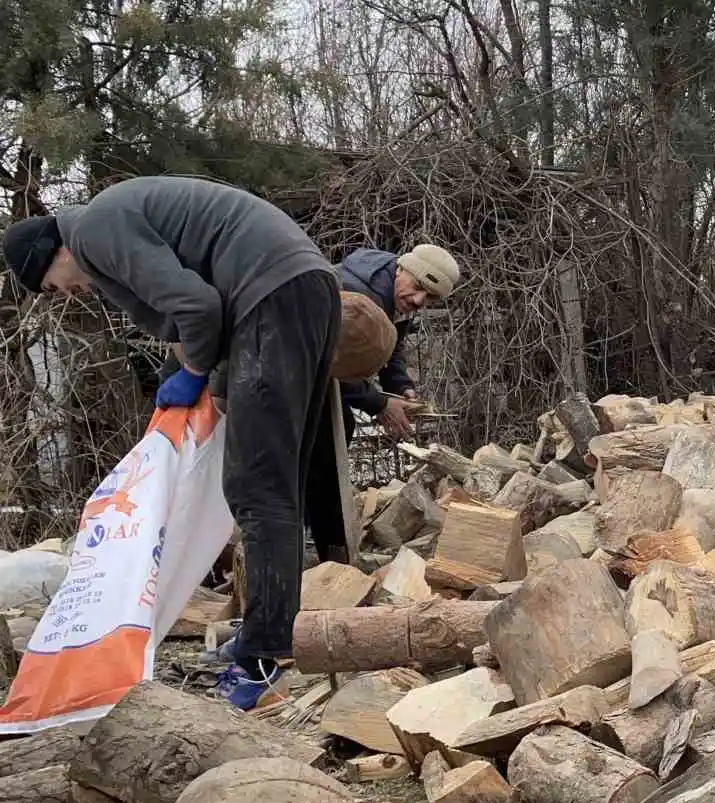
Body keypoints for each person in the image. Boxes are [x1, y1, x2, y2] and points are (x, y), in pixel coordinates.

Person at [2, 175, 342, 711]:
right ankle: (267, 635)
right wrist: (222, 384)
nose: (64, 295)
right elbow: (211, 301)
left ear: (53, 252)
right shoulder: (110, 220)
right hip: (298, 287)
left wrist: (194, 369)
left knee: (258, 488)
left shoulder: (92, 230)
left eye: (49, 285)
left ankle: (265, 655)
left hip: (272, 294)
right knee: (276, 477)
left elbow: (198, 308)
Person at [335, 244, 459, 440]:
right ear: (400, 269)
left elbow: (390, 346)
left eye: (431, 297)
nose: (419, 301)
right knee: (332, 431)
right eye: (418, 287)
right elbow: (333, 366)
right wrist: (380, 404)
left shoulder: (395, 296)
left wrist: (400, 387)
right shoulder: (358, 300)